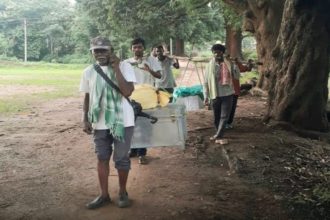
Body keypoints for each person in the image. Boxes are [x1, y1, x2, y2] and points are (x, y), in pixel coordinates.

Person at [80, 36, 136, 209]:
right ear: (92, 53)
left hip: (123, 121)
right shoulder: (89, 71)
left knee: (121, 159)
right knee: (102, 157)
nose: (100, 53)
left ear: (111, 50)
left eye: (103, 50)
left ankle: (122, 192)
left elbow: (127, 92)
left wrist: (116, 67)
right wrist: (85, 118)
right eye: (96, 51)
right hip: (99, 123)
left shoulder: (125, 66)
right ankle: (104, 195)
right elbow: (87, 96)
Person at [125, 37, 162, 164]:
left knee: (145, 126)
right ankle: (133, 150)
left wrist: (149, 70)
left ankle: (142, 153)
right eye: (134, 47)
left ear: (143, 48)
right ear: (131, 49)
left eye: (139, 47)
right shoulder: (126, 63)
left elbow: (159, 75)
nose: (137, 49)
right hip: (132, 98)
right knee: (132, 126)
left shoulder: (151, 60)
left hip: (147, 98)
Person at [203, 44, 240, 145]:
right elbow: (205, 82)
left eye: (219, 52)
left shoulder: (229, 64)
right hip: (215, 95)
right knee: (216, 116)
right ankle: (218, 133)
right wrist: (206, 96)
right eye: (215, 52)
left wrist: (235, 65)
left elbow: (236, 76)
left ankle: (219, 135)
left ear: (223, 53)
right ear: (213, 54)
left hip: (228, 94)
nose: (217, 54)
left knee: (224, 117)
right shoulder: (209, 66)